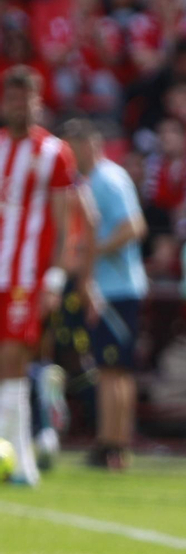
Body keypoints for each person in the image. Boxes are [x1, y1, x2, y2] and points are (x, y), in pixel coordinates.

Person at [0, 67, 83, 485]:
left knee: (14, 360)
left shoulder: (54, 153)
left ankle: (18, 457)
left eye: (25, 98)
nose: (18, 106)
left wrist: (54, 278)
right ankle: (23, 459)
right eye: (11, 98)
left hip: (24, 276)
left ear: (38, 101)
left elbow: (64, 224)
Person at [63, 121, 147, 471]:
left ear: (87, 145)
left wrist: (92, 252)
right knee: (113, 369)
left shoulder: (108, 180)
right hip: (111, 287)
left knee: (114, 368)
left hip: (117, 288)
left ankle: (112, 443)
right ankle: (112, 442)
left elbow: (134, 227)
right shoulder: (91, 181)